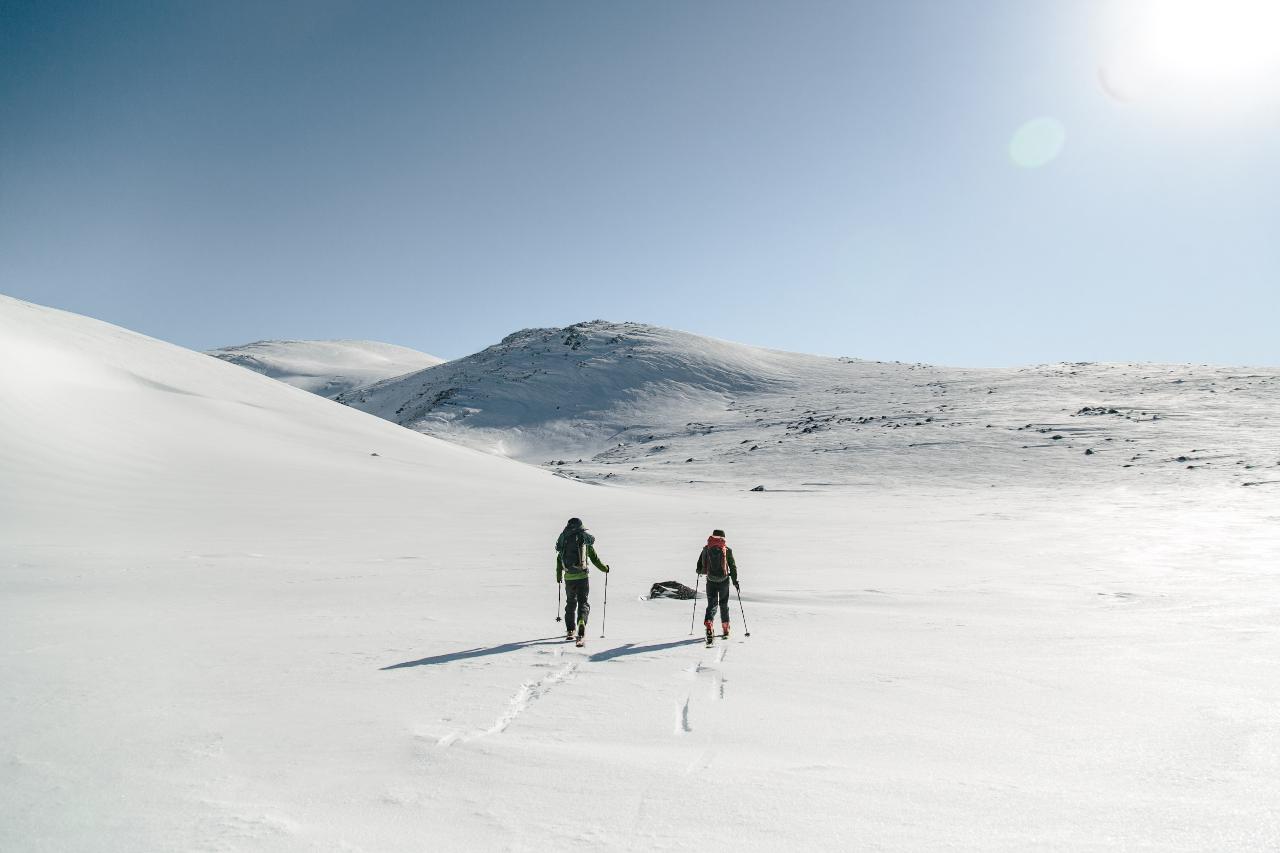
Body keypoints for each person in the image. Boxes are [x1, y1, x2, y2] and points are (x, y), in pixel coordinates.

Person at [556, 517, 609, 646]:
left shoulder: (564, 540)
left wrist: (559, 577)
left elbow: (559, 559)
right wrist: (605, 569)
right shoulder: (584, 540)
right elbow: (595, 559)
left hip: (569, 578)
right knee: (583, 602)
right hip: (582, 577)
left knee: (570, 603)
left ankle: (570, 629)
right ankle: (581, 622)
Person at [696, 528, 739, 642]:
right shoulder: (727, 550)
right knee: (723, 604)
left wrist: (700, 571)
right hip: (724, 581)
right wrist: (735, 581)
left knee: (712, 604)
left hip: (710, 581)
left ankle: (709, 624)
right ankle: (725, 629)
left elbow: (699, 567)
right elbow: (732, 566)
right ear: (723, 538)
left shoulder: (706, 549)